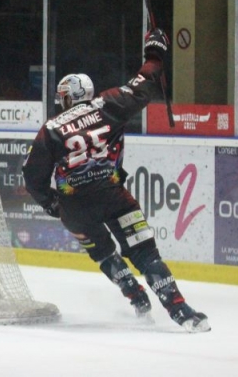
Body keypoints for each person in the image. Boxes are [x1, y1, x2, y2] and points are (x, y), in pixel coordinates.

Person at [22, 28, 210, 333]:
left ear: (66, 98)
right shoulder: (108, 104)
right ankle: (182, 311)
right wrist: (154, 53)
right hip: (112, 195)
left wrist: (52, 203)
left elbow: (32, 177)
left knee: (104, 253)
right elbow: (143, 86)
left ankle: (137, 299)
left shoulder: (51, 127)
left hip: (75, 208)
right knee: (145, 253)